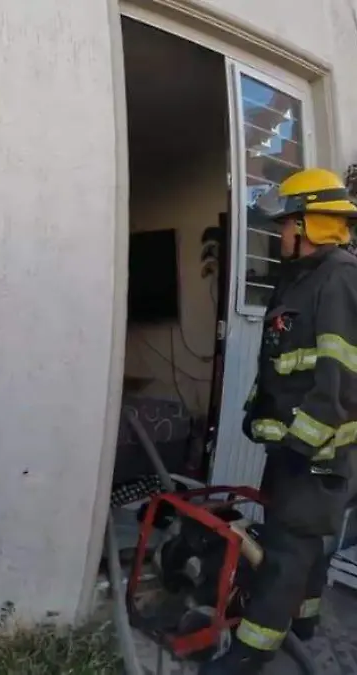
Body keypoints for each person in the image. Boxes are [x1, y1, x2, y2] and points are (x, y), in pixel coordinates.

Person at [202, 168, 357, 674]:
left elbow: (339, 377)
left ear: (310, 225)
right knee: (304, 541)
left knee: (289, 549)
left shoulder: (338, 279)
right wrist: (257, 415)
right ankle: (305, 622)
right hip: (297, 449)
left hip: (314, 453)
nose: (281, 234)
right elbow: (281, 363)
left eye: (288, 224)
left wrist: (302, 443)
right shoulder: (304, 279)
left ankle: (250, 653)